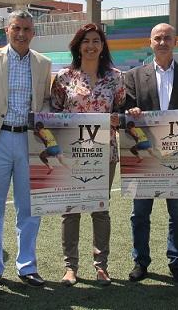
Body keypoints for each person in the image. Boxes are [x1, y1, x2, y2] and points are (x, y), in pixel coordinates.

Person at [0, 10, 52, 288]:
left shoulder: (44, 63)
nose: (21, 33)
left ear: (33, 32)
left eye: (27, 29)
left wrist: (44, 115)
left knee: (29, 208)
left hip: (29, 142)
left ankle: (27, 265)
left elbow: (46, 101)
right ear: (7, 30)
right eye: (16, 28)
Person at [124, 23, 178, 284]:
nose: (162, 42)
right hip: (145, 157)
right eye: (157, 38)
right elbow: (126, 110)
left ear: (175, 42)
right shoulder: (134, 76)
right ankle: (140, 261)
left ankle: (176, 261)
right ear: (150, 42)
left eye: (167, 38)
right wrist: (131, 113)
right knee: (140, 214)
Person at [51, 23, 125, 287]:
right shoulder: (64, 77)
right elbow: (55, 113)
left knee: (99, 209)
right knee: (70, 210)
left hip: (105, 153)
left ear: (103, 46)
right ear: (78, 46)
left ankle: (101, 266)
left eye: (96, 41)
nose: (91, 46)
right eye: (86, 41)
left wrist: (118, 119)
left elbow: (122, 113)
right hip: (72, 153)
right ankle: (70, 267)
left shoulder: (116, 77)